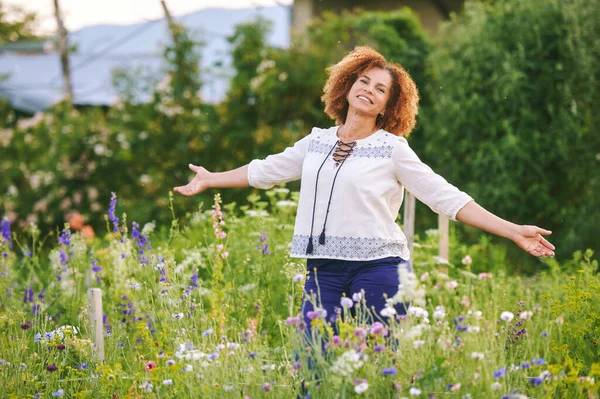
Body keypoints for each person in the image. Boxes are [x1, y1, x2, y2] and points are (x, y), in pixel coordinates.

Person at [174, 46, 555, 329]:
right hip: (322, 270)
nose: (369, 90)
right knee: (314, 363)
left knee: (376, 368)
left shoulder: (393, 149)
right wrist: (210, 179)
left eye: (380, 90)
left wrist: (512, 230)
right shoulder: (316, 141)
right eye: (364, 81)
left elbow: (446, 197)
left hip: (379, 270)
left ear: (388, 107)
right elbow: (264, 171)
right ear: (348, 85)